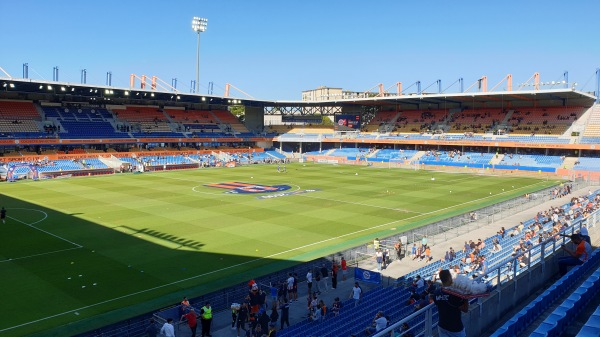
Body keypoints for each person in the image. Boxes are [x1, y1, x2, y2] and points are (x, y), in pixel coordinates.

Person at [434, 270, 468, 337]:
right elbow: (465, 309)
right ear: (449, 278)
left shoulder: (436, 292)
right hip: (455, 328)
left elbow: (438, 304)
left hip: (442, 325)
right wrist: (466, 298)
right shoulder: (456, 293)